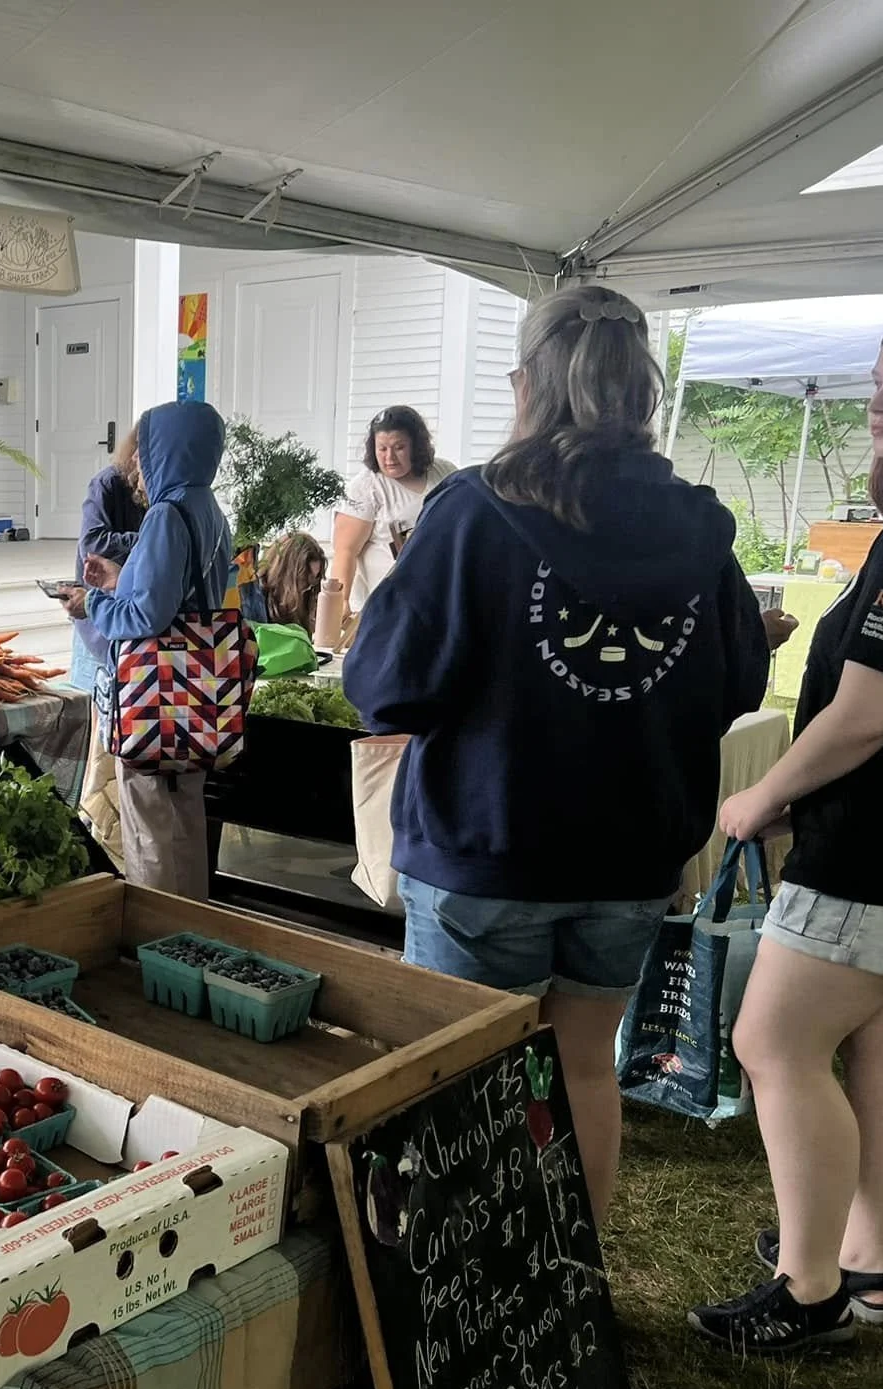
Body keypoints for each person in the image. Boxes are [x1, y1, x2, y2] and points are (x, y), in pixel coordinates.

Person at [344, 285, 772, 1224]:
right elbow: (742, 680)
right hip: (630, 855)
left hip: (486, 849)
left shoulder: (476, 512)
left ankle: (462, 1306)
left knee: (456, 1083)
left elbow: (382, 684)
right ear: (642, 390)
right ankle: (572, 1281)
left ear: (528, 382)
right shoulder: (697, 525)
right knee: (586, 1066)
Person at [688, 310, 883, 1356]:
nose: (875, 400)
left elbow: (866, 712)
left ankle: (807, 1287)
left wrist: (756, 799)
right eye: (874, 381)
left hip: (873, 849)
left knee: (771, 1041)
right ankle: (865, 1269)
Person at [58, 400, 235, 899]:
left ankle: (157, 937)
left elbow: (143, 619)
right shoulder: (208, 508)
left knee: (151, 827)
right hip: (197, 696)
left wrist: (91, 603)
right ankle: (192, 930)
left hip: (153, 699)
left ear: (165, 451)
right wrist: (120, 580)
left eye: (142, 451)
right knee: (185, 822)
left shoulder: (164, 514)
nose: (135, 462)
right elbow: (181, 596)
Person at [326, 405, 457, 621]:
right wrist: (342, 601)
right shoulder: (366, 487)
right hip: (385, 608)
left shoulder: (445, 473)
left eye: (399, 447)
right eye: (382, 448)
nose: (389, 457)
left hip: (437, 600)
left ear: (416, 446)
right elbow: (345, 551)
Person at [68, 426, 147, 691]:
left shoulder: (163, 495)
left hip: (129, 614)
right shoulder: (108, 483)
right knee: (96, 708)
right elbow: (91, 542)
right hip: (99, 616)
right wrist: (147, 540)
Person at [248, 531, 327, 632]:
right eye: (302, 579)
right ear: (283, 573)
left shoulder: (305, 599)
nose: (307, 587)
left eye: (313, 579)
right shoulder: (254, 601)